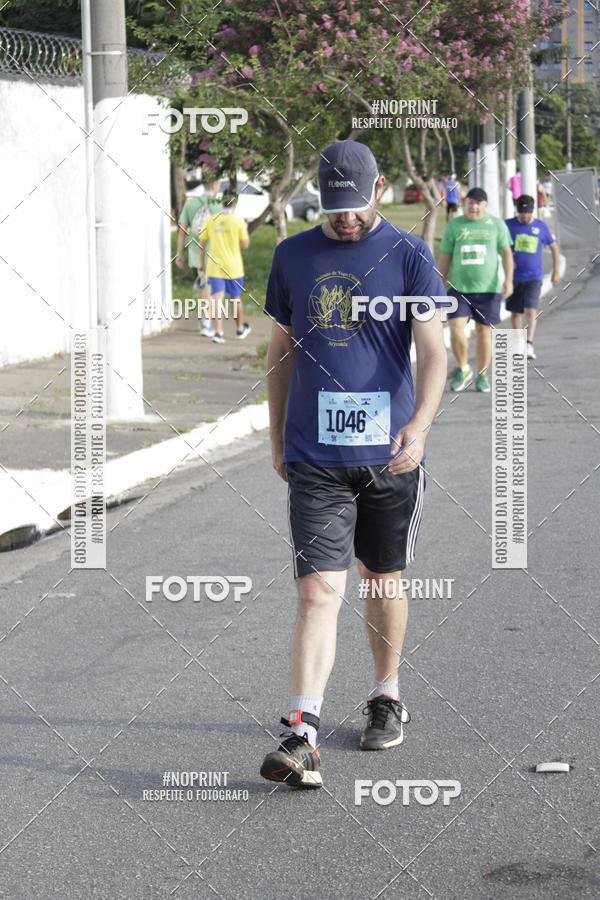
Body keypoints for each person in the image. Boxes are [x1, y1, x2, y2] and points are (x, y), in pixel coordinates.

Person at [259, 140, 447, 789]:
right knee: (317, 589)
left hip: (389, 458)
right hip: (315, 454)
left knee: (382, 580)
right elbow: (280, 353)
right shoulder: (292, 256)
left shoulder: (410, 254)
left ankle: (385, 694)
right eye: (335, 208)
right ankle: (302, 730)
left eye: (357, 207)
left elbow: (434, 352)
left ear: (381, 188)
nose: (346, 219)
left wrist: (419, 427)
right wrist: (277, 436)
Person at [437, 187, 514, 393]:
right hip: (459, 289)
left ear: (485, 205)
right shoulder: (454, 226)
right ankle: (463, 368)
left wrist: (509, 281)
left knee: (483, 332)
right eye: (470, 202)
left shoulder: (496, 225)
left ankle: (482, 374)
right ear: (465, 204)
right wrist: (437, 283)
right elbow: (445, 257)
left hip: (488, 289)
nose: (474, 206)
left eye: (478, 202)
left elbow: (506, 253)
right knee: (455, 328)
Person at [505, 194, 560, 360]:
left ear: (532, 211)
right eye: (521, 214)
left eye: (527, 214)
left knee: (530, 310)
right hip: (514, 277)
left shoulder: (541, 226)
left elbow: (554, 249)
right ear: (517, 210)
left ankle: (529, 343)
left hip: (534, 277)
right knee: (515, 313)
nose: (524, 217)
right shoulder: (508, 225)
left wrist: (556, 271)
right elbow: (500, 247)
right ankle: (518, 342)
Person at [198, 191, 251, 343]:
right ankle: (240, 329)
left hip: (215, 267)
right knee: (235, 298)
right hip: (234, 267)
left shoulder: (211, 220)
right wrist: (245, 229)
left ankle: (218, 332)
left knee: (217, 299)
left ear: (222, 202)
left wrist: (202, 264)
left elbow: (201, 244)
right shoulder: (238, 221)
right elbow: (245, 245)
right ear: (236, 203)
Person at [176, 179, 222, 337]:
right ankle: (206, 323)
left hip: (196, 254)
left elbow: (182, 231)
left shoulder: (191, 204)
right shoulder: (218, 205)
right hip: (213, 253)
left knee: (202, 286)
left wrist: (179, 254)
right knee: (208, 288)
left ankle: (203, 321)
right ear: (215, 184)